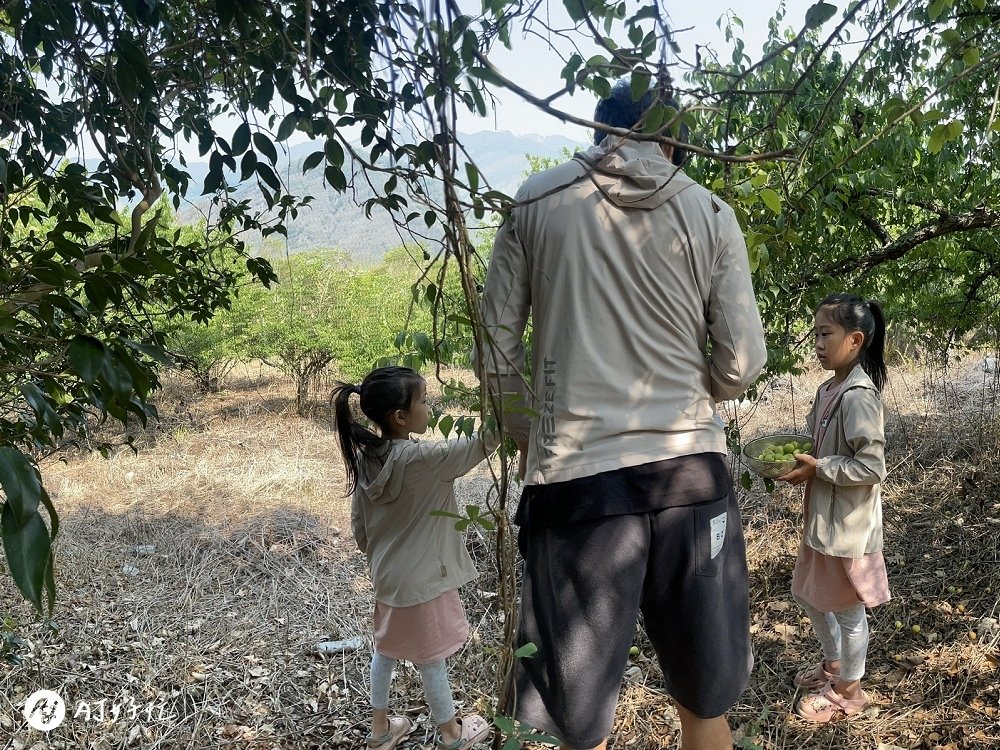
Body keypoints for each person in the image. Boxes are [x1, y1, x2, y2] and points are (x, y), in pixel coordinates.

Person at [473, 80, 767, 750]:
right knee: (705, 699)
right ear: (673, 139)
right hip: (691, 482)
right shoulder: (710, 211)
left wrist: (530, 433)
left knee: (569, 725)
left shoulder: (539, 200)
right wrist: (694, 395)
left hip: (577, 486)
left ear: (595, 129)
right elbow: (741, 363)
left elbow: (496, 350)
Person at [332, 366, 498, 750]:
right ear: (400, 417)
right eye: (423, 400)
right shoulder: (424, 458)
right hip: (424, 580)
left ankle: (380, 731)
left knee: (385, 651)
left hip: (387, 577)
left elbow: (360, 530)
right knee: (431, 658)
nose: (429, 406)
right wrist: (504, 397)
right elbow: (483, 442)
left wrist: (385, 553)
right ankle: (452, 735)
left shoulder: (366, 458)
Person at [778, 293, 890, 722]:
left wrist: (820, 468)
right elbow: (815, 444)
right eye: (817, 334)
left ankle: (850, 690)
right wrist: (797, 462)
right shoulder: (829, 389)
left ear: (855, 339)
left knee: (847, 610)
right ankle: (834, 663)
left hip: (846, 528)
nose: (818, 343)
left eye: (826, 334)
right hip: (822, 521)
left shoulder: (858, 395)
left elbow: (870, 465)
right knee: (808, 595)